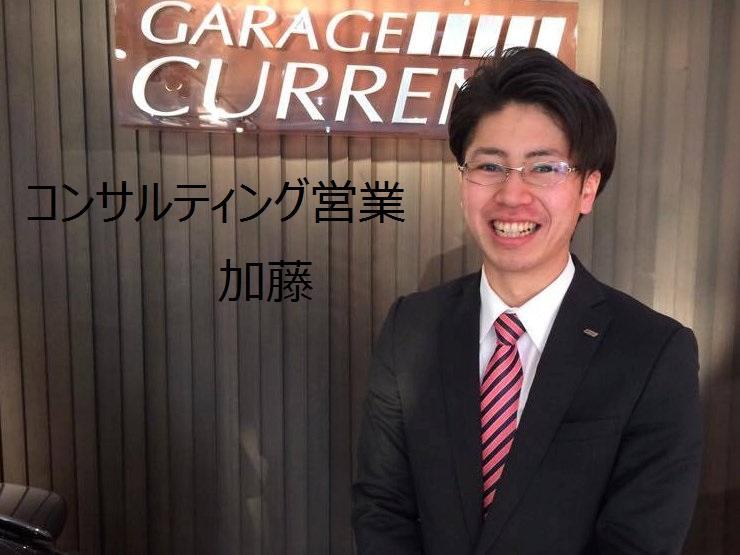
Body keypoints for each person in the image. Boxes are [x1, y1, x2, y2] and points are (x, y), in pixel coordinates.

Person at [351, 47, 702, 555]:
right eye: (490, 165)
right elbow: (382, 506)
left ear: (588, 188)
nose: (512, 196)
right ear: (463, 180)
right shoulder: (411, 327)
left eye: (544, 168)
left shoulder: (653, 352)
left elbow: (638, 540)